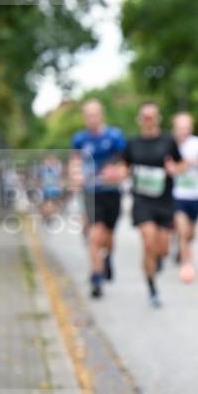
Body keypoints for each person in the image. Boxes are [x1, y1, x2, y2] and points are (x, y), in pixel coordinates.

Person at [122, 103, 185, 307]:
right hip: (142, 200)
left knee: (163, 249)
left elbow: (181, 163)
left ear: (158, 118)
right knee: (148, 241)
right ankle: (151, 287)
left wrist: (175, 168)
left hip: (164, 200)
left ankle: (157, 259)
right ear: (139, 120)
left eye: (152, 117)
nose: (148, 120)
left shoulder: (168, 140)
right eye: (145, 117)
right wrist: (117, 173)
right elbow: (124, 166)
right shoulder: (133, 143)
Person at [71, 99, 127, 298]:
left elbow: (124, 164)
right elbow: (75, 162)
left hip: (111, 192)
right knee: (95, 235)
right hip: (91, 193)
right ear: (84, 117)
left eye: (95, 114)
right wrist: (75, 176)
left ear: (101, 115)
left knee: (109, 237)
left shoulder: (114, 136)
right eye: (88, 115)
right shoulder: (79, 139)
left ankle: (108, 256)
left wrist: (119, 172)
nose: (92, 118)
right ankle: (96, 278)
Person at [170, 112, 198, 283]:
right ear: (174, 129)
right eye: (179, 128)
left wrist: (196, 162)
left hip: (197, 195)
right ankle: (188, 265)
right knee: (183, 230)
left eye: (186, 128)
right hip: (177, 195)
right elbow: (170, 168)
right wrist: (181, 166)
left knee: (191, 234)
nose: (183, 131)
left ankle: (181, 248)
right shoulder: (169, 145)